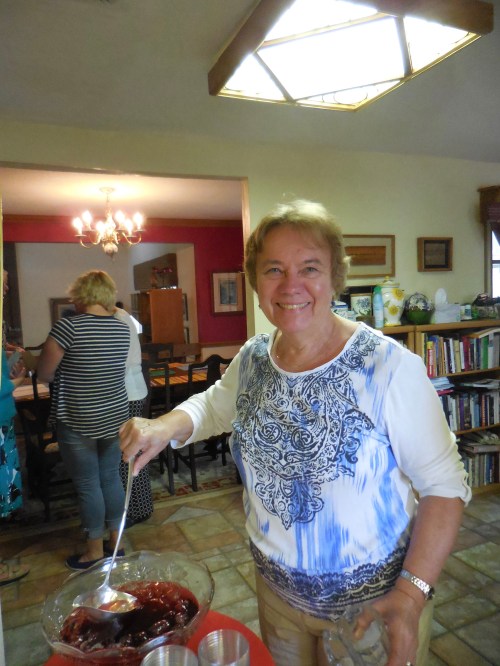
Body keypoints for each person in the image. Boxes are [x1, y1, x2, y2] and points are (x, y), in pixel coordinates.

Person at [120, 200, 471, 666]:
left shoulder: (389, 368)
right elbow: (215, 404)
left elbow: (445, 487)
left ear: (334, 277)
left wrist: (411, 595)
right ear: (255, 281)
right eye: (273, 270)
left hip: (372, 612)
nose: (290, 286)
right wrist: (164, 425)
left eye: (309, 268)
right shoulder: (254, 357)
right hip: (277, 598)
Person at [37, 270, 130, 570]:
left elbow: (44, 374)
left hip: (78, 418)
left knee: (89, 484)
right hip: (115, 416)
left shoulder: (68, 327)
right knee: (111, 478)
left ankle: (93, 551)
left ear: (82, 294)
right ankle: (117, 544)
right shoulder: (122, 328)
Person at [0, 268, 30, 583]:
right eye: (4, 283)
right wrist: (20, 379)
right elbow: (0, 386)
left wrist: (8, 357)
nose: (6, 289)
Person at [114, 304, 153, 527]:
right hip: (131, 391)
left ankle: (136, 510)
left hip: (128, 392)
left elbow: (122, 361)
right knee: (130, 453)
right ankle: (138, 508)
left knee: (129, 453)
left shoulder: (117, 318)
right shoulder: (121, 316)